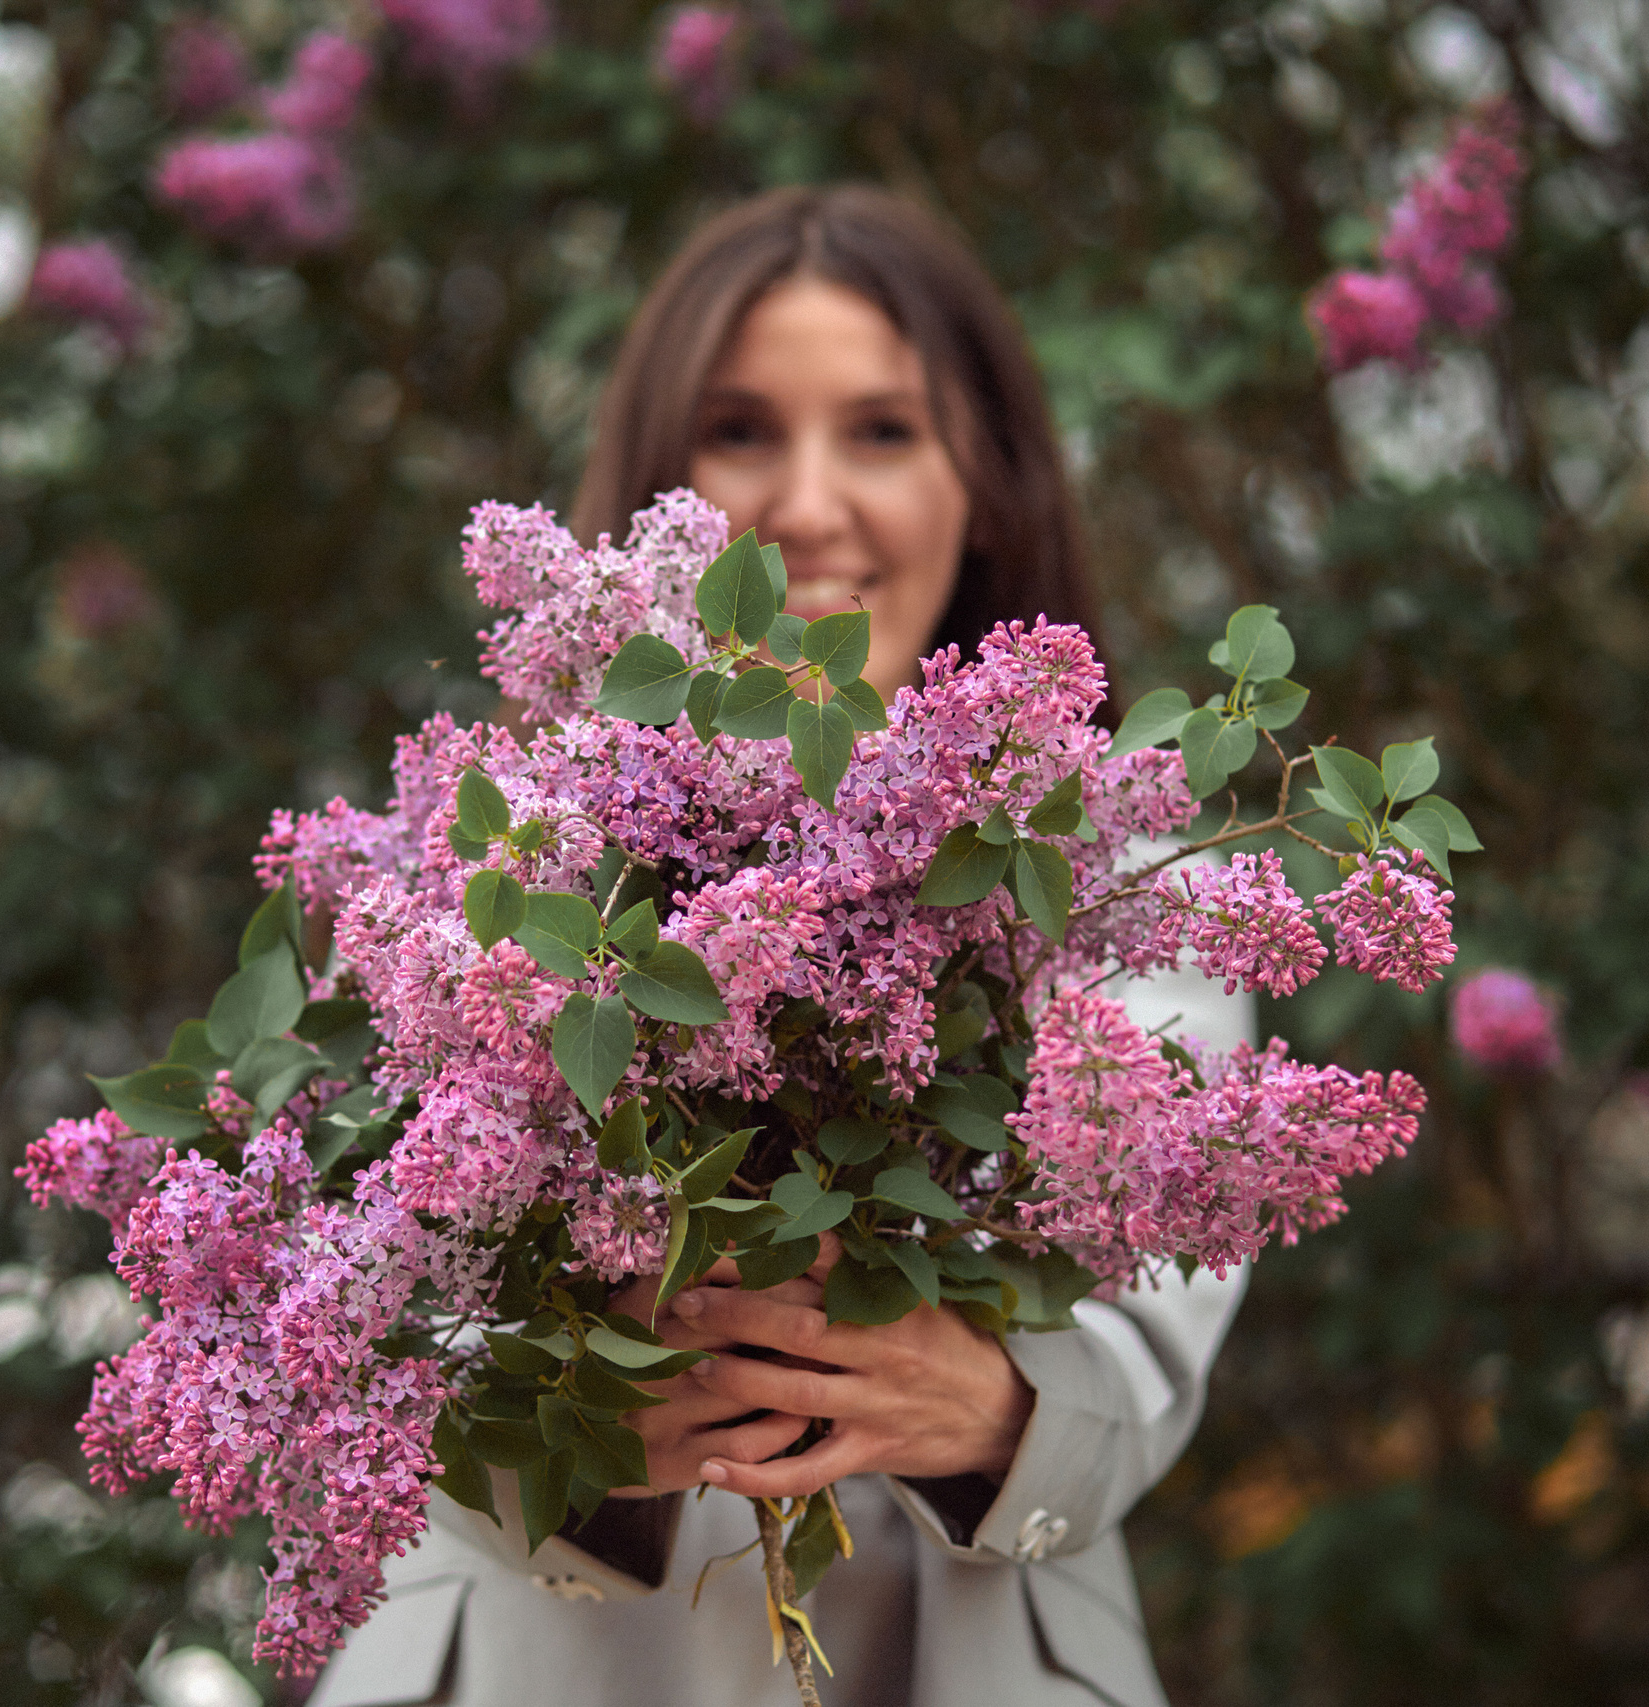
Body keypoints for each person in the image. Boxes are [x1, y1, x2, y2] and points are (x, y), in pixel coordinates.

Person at [308, 185, 1251, 1707]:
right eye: (743, 430)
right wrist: (571, 1411)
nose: (808, 507)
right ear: (659, 487)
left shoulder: (1116, 876)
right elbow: (369, 1323)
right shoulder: (499, 861)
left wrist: (1000, 1404)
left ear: (987, 484)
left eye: (882, 431)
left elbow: (1147, 1349)